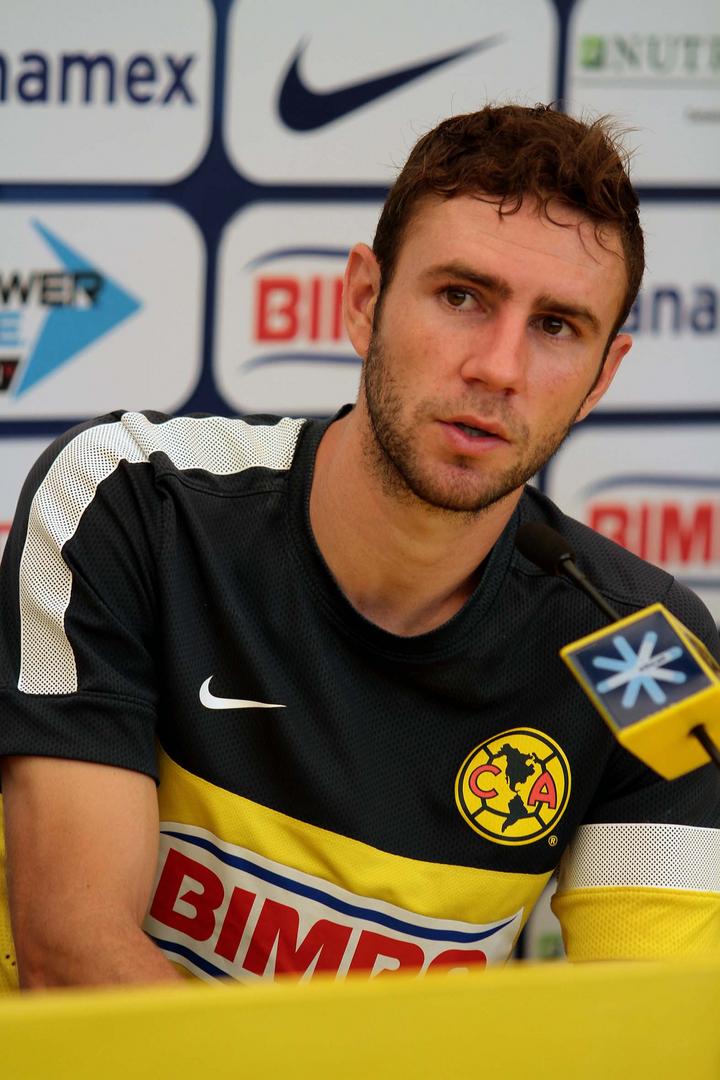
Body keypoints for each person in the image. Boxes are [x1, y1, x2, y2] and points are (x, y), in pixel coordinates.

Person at [0, 105, 718, 991]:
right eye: (462, 297)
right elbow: (73, 959)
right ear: (364, 301)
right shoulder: (133, 500)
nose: (499, 368)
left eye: (557, 326)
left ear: (603, 375)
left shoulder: (644, 651)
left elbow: (657, 1020)